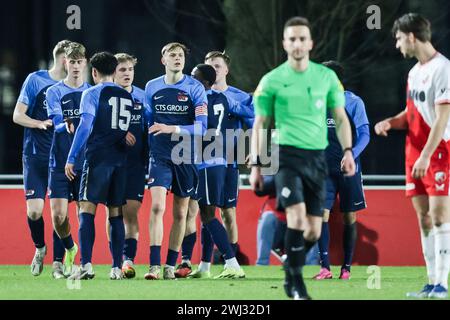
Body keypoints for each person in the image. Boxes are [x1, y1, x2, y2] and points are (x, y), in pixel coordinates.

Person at [250, 16, 355, 300]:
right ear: (285, 43)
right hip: (286, 156)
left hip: (317, 159)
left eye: (302, 38)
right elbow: (260, 123)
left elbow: (342, 118)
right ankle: (297, 285)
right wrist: (257, 164)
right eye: (292, 39)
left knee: (312, 229)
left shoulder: (327, 77)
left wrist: (348, 151)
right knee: (296, 218)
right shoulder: (272, 80)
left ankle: (290, 270)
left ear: (310, 42)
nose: (297, 44)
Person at [375, 13, 450, 299]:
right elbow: (412, 112)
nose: (397, 46)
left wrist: (427, 156)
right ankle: (431, 283)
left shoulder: (444, 69)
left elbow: (443, 119)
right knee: (424, 218)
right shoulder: (414, 72)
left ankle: (442, 285)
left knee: (441, 217)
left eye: (397, 39)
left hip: (438, 152)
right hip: (414, 152)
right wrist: (391, 122)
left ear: (410, 36)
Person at [176, 51, 255, 277]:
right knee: (206, 213)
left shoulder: (200, 101)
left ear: (205, 82)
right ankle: (204, 266)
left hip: (208, 161)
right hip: (215, 160)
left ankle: (232, 263)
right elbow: (249, 111)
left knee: (211, 214)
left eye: (194, 77)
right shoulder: (225, 100)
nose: (190, 80)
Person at [65, 51, 135, 280]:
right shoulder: (128, 97)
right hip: (120, 160)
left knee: (86, 209)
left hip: (97, 158)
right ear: (115, 72)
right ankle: (116, 267)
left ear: (93, 72)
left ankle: (86, 265)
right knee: (115, 212)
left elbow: (85, 126)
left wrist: (72, 157)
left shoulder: (92, 93)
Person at [144, 42, 208, 280]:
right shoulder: (151, 87)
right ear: (164, 60)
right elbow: (147, 123)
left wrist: (171, 127)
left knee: (181, 213)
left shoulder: (195, 88)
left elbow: (202, 128)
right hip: (159, 155)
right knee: (157, 206)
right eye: (173, 55)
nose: (177, 58)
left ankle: (170, 265)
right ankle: (153, 266)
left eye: (180, 55)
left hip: (186, 155)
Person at [12, 40, 71, 277]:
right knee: (35, 212)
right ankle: (40, 249)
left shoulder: (75, 86)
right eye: (73, 61)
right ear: (63, 59)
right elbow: (17, 115)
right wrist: (39, 123)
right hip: (35, 154)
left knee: (60, 213)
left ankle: (58, 262)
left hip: (60, 157)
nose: (77, 66)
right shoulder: (36, 80)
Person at [313, 61, 370, 281]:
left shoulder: (353, 102)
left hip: (349, 169)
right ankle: (325, 268)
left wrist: (351, 154)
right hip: (323, 170)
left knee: (349, 216)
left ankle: (346, 268)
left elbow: (365, 134)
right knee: (320, 215)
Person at [45, 42, 90, 279]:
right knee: (59, 216)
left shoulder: (92, 92)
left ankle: (80, 264)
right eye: (71, 61)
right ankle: (70, 248)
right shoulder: (54, 92)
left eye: (79, 61)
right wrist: (66, 125)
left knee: (84, 215)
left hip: (85, 163)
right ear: (66, 63)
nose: (75, 65)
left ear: (86, 63)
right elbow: (54, 120)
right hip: (60, 161)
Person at [104, 53, 148, 279]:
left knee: (131, 211)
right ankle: (115, 261)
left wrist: (150, 162)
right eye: (122, 69)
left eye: (130, 69)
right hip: (109, 163)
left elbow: (150, 131)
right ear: (113, 72)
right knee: (113, 213)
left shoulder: (143, 96)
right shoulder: (103, 95)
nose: (127, 73)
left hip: (135, 165)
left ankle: (128, 260)